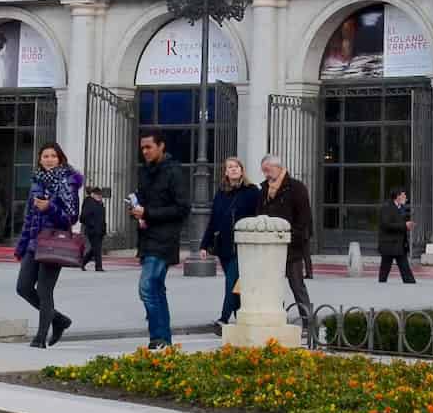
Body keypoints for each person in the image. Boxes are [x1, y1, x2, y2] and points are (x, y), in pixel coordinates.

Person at [14, 142, 82, 349]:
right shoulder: (36, 182)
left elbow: (71, 217)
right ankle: (59, 320)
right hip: (34, 243)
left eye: (53, 156)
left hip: (53, 242)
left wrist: (49, 208)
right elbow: (28, 217)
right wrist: (22, 245)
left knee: (44, 290)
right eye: (45, 156)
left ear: (60, 159)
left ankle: (40, 338)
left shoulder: (67, 183)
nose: (49, 159)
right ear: (40, 160)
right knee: (23, 287)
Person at [129, 131, 189, 349]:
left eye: (149, 147)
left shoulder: (174, 172)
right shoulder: (145, 172)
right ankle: (164, 339)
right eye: (142, 148)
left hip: (165, 238)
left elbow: (183, 208)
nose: (145, 151)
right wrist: (136, 211)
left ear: (161, 146)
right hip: (147, 237)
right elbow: (144, 202)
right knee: (156, 288)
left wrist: (148, 213)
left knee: (147, 287)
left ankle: (158, 338)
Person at [200, 157, 261, 327]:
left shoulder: (252, 191)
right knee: (235, 284)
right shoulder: (221, 192)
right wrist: (204, 245)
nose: (233, 169)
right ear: (225, 172)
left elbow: (258, 215)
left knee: (231, 282)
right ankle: (242, 316)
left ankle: (224, 318)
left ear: (242, 170)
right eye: (229, 167)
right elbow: (213, 220)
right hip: (223, 246)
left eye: (236, 167)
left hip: (242, 246)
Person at [259, 153, 314, 328]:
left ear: (278, 167)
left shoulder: (296, 187)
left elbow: (304, 218)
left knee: (297, 286)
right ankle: (276, 319)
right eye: (264, 171)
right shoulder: (263, 189)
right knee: (273, 287)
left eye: (268, 170)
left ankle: (308, 323)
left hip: (292, 247)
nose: (266, 174)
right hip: (270, 247)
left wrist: (295, 237)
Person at [377, 188, 417, 284]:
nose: (406, 197)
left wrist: (408, 225)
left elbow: (401, 223)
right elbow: (386, 225)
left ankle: (411, 285)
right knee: (384, 271)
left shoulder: (401, 208)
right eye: (403, 195)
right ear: (397, 196)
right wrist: (404, 225)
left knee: (406, 271)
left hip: (400, 246)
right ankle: (380, 289)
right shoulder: (387, 207)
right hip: (389, 245)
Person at [79, 187, 107, 272]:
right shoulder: (89, 202)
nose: (100, 197)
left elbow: (102, 218)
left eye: (100, 195)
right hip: (92, 230)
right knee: (97, 249)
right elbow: (83, 217)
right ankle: (98, 266)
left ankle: (82, 262)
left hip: (100, 230)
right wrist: (91, 224)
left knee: (94, 249)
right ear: (93, 194)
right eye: (98, 195)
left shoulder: (100, 203)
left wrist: (104, 228)